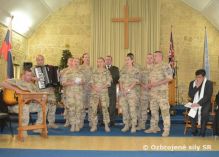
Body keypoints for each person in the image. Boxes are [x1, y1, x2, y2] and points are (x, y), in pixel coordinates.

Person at [0, 69, 43, 137]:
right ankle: (23, 130)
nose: (30, 77)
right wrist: (16, 89)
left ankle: (37, 127)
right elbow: (2, 83)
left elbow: (37, 96)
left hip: (27, 104)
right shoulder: (16, 81)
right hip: (14, 105)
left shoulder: (32, 85)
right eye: (28, 75)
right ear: (23, 75)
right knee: (25, 107)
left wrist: (40, 98)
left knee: (42, 106)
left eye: (31, 75)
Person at [144, 51, 173, 137]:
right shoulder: (153, 67)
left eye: (155, 56)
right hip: (153, 94)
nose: (154, 57)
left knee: (164, 112)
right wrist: (149, 85)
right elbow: (150, 80)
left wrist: (156, 84)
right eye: (153, 56)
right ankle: (154, 127)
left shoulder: (165, 65)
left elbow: (169, 78)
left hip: (162, 93)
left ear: (160, 57)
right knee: (153, 112)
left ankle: (166, 130)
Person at [32, 55, 58, 129]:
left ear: (44, 60)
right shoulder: (34, 68)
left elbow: (53, 79)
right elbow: (25, 76)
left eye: (41, 59)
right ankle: (41, 124)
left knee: (53, 106)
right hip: (41, 91)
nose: (40, 61)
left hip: (50, 91)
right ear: (36, 60)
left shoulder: (49, 68)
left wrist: (54, 85)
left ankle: (51, 123)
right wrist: (34, 78)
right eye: (39, 60)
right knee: (43, 107)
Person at [61, 58, 84, 132]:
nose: (76, 63)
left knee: (78, 109)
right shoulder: (67, 72)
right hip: (70, 94)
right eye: (75, 61)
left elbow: (84, 81)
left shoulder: (81, 72)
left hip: (79, 94)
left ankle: (77, 124)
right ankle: (73, 124)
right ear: (72, 62)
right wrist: (71, 83)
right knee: (71, 109)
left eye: (78, 62)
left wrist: (81, 82)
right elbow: (63, 83)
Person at [119, 53, 141, 133]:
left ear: (132, 60)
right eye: (125, 60)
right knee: (125, 110)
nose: (126, 61)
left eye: (128, 59)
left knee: (132, 109)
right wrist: (122, 90)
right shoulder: (123, 70)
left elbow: (135, 82)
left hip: (131, 92)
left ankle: (133, 126)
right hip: (123, 93)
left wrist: (128, 90)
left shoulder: (136, 70)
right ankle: (126, 125)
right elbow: (120, 81)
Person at [188, 69, 213, 137]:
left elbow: (208, 96)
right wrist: (196, 87)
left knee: (204, 114)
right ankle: (194, 130)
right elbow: (190, 95)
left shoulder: (209, 83)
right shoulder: (192, 83)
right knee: (191, 114)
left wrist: (198, 103)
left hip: (205, 103)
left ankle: (202, 131)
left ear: (204, 77)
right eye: (196, 77)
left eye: (199, 77)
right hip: (194, 102)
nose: (197, 79)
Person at [89, 57, 112, 132]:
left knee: (105, 109)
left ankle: (106, 125)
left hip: (103, 92)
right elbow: (91, 82)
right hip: (94, 93)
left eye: (101, 62)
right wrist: (95, 88)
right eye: (98, 62)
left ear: (104, 62)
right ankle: (94, 125)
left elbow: (109, 82)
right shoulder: (93, 71)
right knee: (94, 109)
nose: (99, 63)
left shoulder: (107, 72)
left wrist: (101, 87)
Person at [137, 53, 153, 130]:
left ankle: (154, 126)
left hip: (154, 92)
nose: (149, 59)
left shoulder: (156, 68)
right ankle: (142, 125)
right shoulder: (142, 69)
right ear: (146, 59)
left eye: (151, 58)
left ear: (153, 59)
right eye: (148, 58)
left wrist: (151, 85)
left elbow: (159, 80)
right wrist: (143, 85)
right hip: (144, 92)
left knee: (154, 109)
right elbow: (138, 80)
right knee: (143, 109)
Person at [105, 55, 119, 126]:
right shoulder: (101, 68)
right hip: (103, 90)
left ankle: (112, 120)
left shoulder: (115, 69)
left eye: (109, 60)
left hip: (112, 89)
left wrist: (109, 79)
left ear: (111, 61)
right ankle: (103, 121)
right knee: (103, 105)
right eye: (106, 60)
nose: (107, 61)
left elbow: (117, 79)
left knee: (112, 105)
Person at [60, 57, 74, 127]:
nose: (71, 62)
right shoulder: (63, 71)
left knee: (74, 107)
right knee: (67, 107)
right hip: (66, 91)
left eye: (72, 61)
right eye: (70, 61)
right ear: (67, 63)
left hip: (75, 93)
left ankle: (73, 122)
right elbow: (62, 82)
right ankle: (67, 121)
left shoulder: (76, 70)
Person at [80, 53, 93, 128]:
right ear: (83, 59)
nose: (87, 59)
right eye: (85, 57)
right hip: (82, 90)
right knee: (82, 107)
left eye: (88, 57)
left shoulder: (92, 68)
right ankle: (81, 122)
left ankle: (91, 122)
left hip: (90, 90)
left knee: (91, 106)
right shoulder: (80, 68)